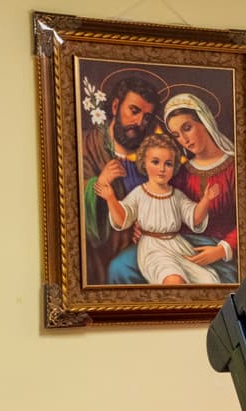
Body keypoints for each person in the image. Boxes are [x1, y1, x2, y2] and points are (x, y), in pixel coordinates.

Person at [95, 133, 221, 285]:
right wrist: (111, 199)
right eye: (155, 162)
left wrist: (206, 200)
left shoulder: (177, 196)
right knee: (173, 279)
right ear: (144, 163)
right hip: (153, 249)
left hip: (177, 246)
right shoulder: (139, 193)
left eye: (168, 164)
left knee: (206, 280)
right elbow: (122, 220)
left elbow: (195, 218)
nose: (162, 169)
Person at [80, 72, 164, 284]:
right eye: (134, 111)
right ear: (116, 107)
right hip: (101, 261)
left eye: (146, 117)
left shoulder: (152, 155)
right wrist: (99, 183)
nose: (139, 122)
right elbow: (69, 202)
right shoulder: (86, 145)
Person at [163, 92, 240, 282]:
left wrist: (222, 250)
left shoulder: (234, 168)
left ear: (204, 121)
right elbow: (167, 206)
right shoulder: (182, 173)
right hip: (182, 246)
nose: (184, 140)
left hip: (219, 252)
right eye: (177, 135)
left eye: (187, 128)